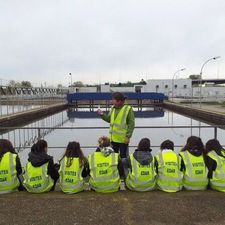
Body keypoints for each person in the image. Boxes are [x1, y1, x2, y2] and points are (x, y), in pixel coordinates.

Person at [97, 92, 135, 158]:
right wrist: (102, 114)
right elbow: (109, 119)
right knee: (113, 157)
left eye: (113, 100)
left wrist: (128, 136)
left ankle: (123, 168)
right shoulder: (113, 108)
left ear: (119, 101)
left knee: (123, 157)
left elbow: (131, 124)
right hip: (113, 139)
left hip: (123, 139)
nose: (112, 101)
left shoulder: (128, 109)